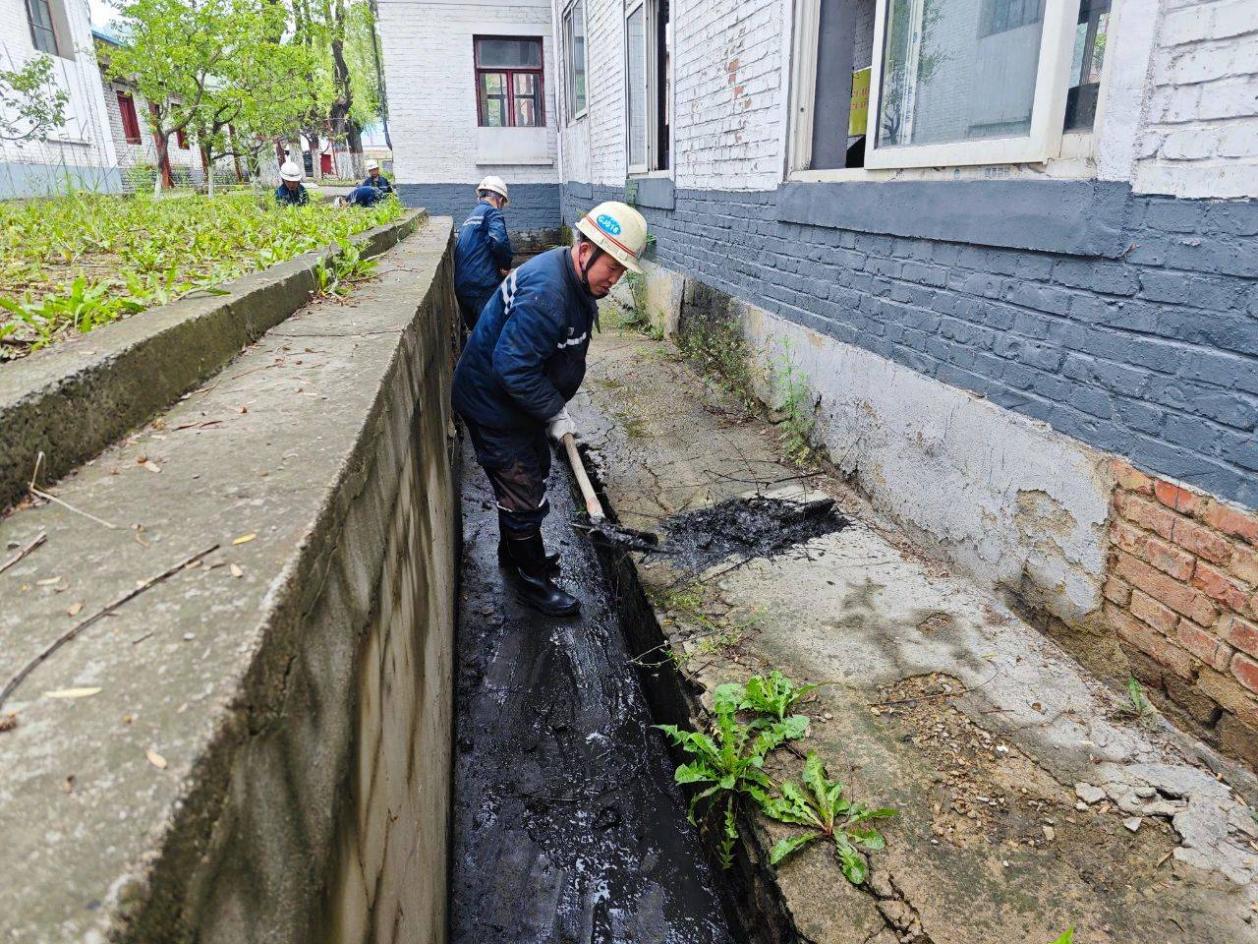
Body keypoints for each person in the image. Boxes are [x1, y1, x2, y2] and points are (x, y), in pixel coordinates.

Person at [452, 201, 648, 616]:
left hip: (519, 403)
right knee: (521, 489)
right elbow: (513, 368)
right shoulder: (548, 294)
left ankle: (517, 554)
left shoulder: (572, 278)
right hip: (493, 404)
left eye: (620, 272)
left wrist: (551, 405)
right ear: (585, 250)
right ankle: (532, 585)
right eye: (610, 268)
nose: (613, 280)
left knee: (535, 470)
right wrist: (555, 412)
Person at [453, 176, 513, 329]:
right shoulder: (492, 213)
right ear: (499, 199)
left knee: (478, 337)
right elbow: (499, 240)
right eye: (503, 203)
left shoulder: (470, 218)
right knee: (491, 336)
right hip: (482, 287)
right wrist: (505, 266)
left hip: (462, 288)